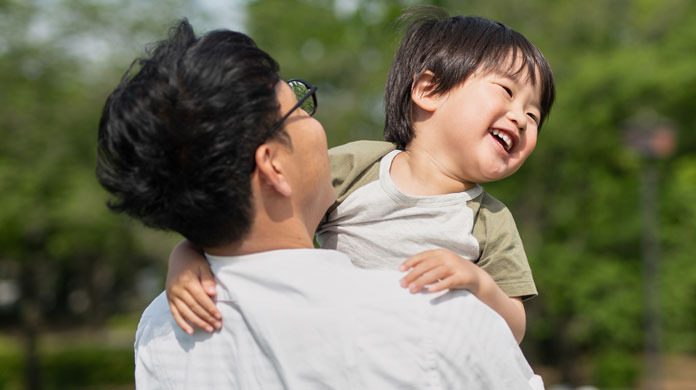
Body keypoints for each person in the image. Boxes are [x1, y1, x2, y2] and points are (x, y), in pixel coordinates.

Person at [96, 19, 545, 389]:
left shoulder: (161, 329)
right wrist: (187, 252)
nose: (523, 119)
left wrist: (190, 253)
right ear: (273, 165)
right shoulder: (444, 327)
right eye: (300, 108)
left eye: (534, 114)